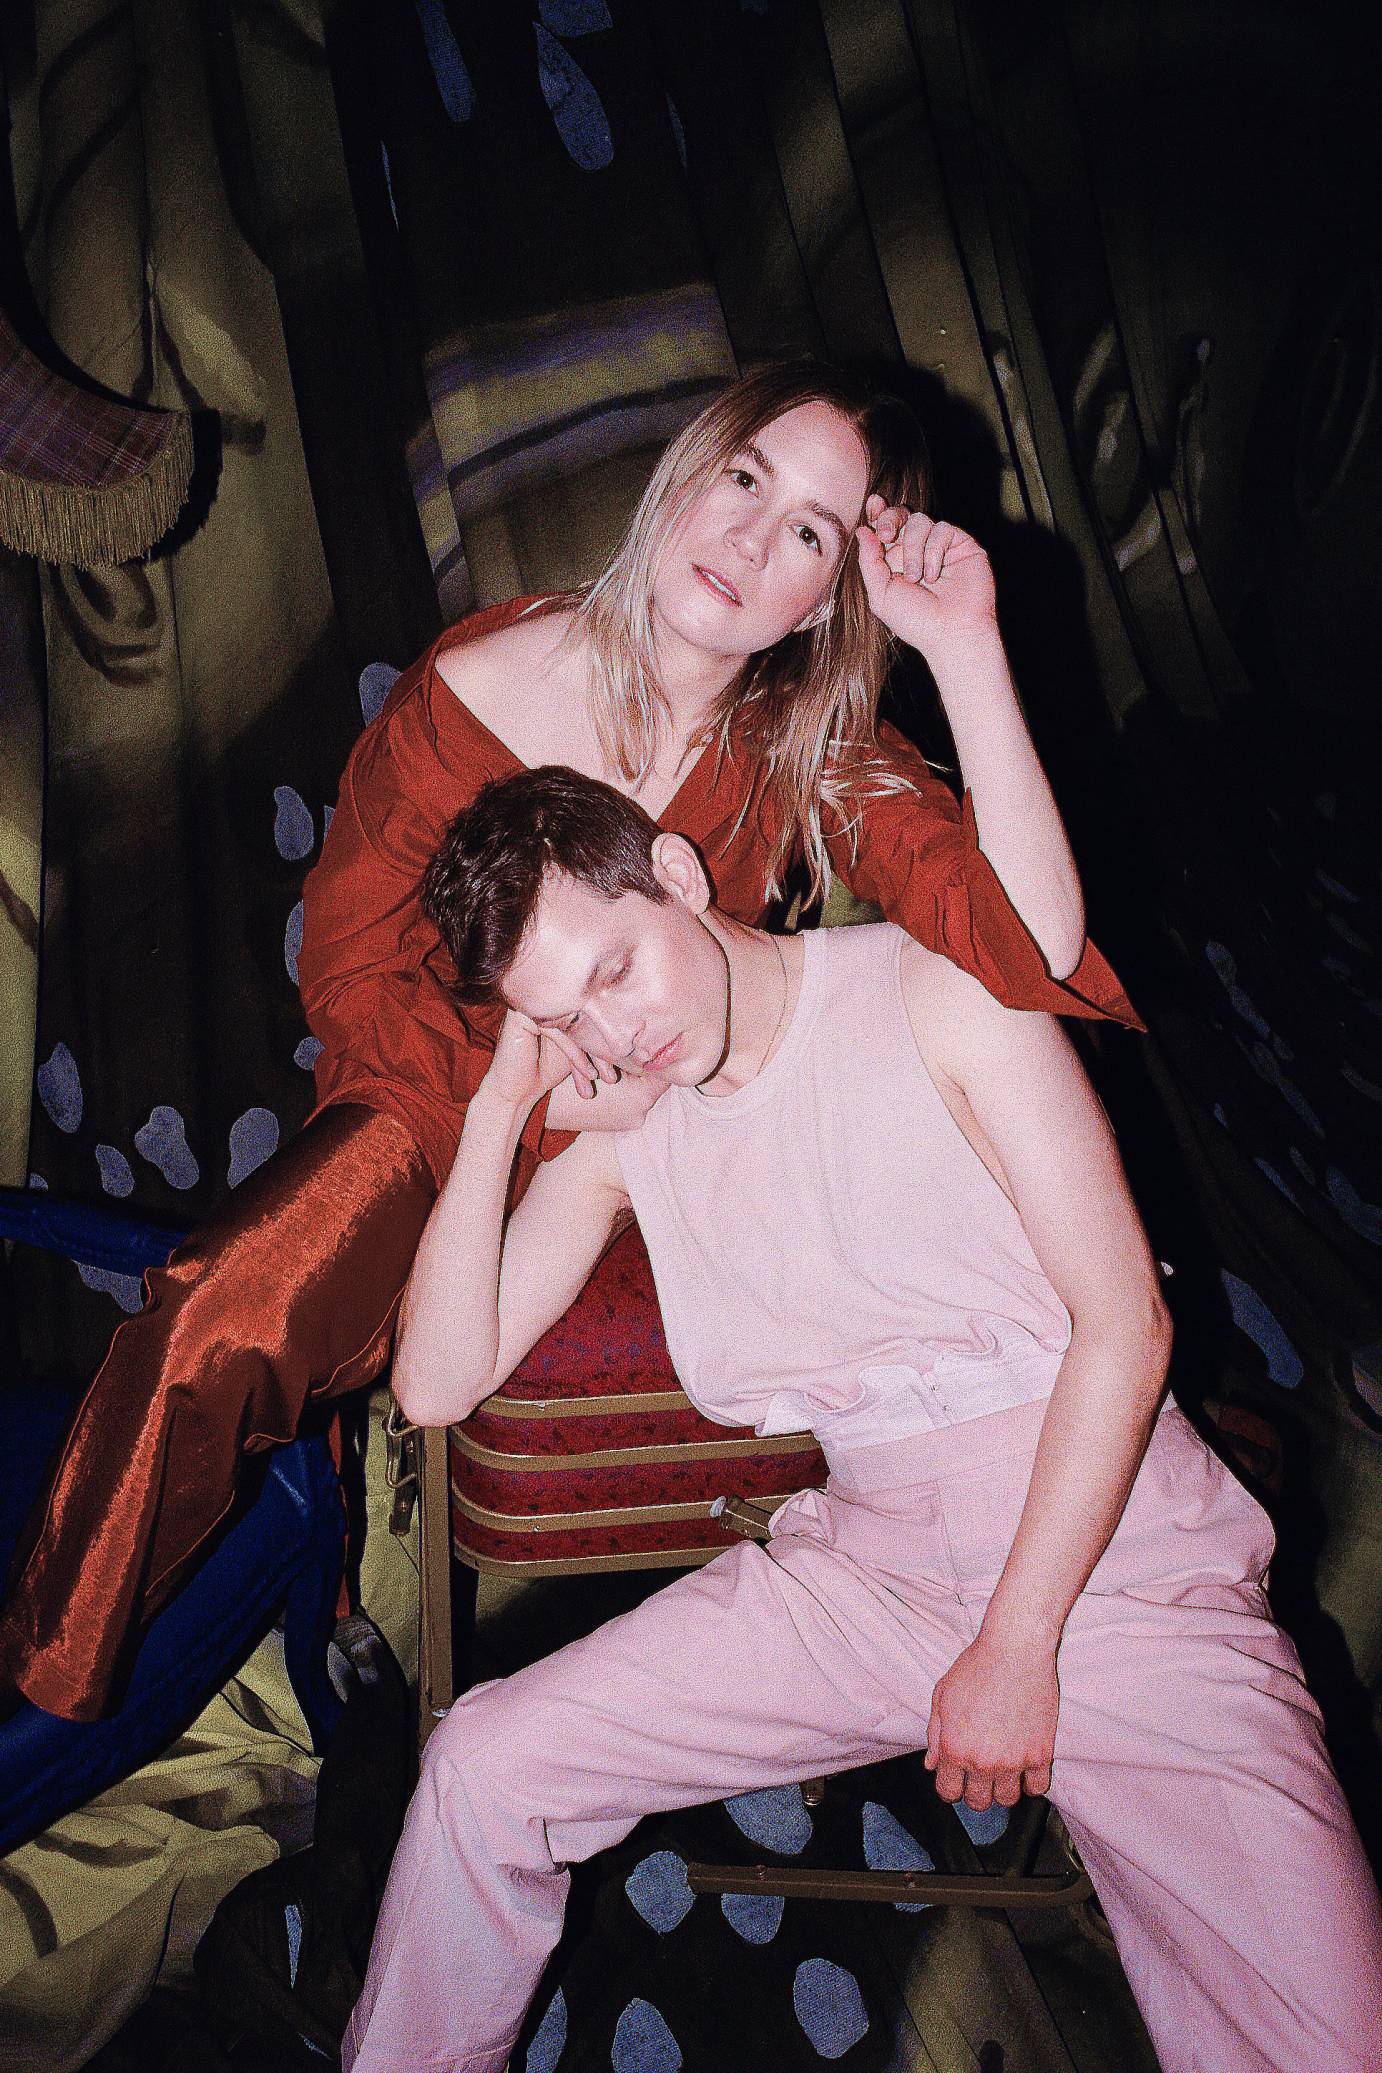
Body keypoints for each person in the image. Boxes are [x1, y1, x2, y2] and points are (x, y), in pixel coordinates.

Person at [1, 361, 1137, 1721]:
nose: (746, 540)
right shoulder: (479, 682)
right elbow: (351, 964)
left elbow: (1032, 942)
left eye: (808, 532)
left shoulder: (802, 741)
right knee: (225, 1309)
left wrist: (964, 650)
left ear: (827, 592)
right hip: (440, 1091)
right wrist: (517, 1099)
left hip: (667, 1115)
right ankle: (43, 1677)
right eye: (743, 479)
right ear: (684, 471)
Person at [344, 766, 1382, 2073]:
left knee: (1331, 2044)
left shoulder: (934, 990)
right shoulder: (632, 1129)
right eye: (562, 1016)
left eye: (614, 969)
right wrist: (504, 1101)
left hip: (1116, 1556)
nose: (614, 1031)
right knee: (487, 1764)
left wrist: (1015, 1646)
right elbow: (437, 1384)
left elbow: (1127, 1325)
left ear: (676, 875)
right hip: (869, 1568)